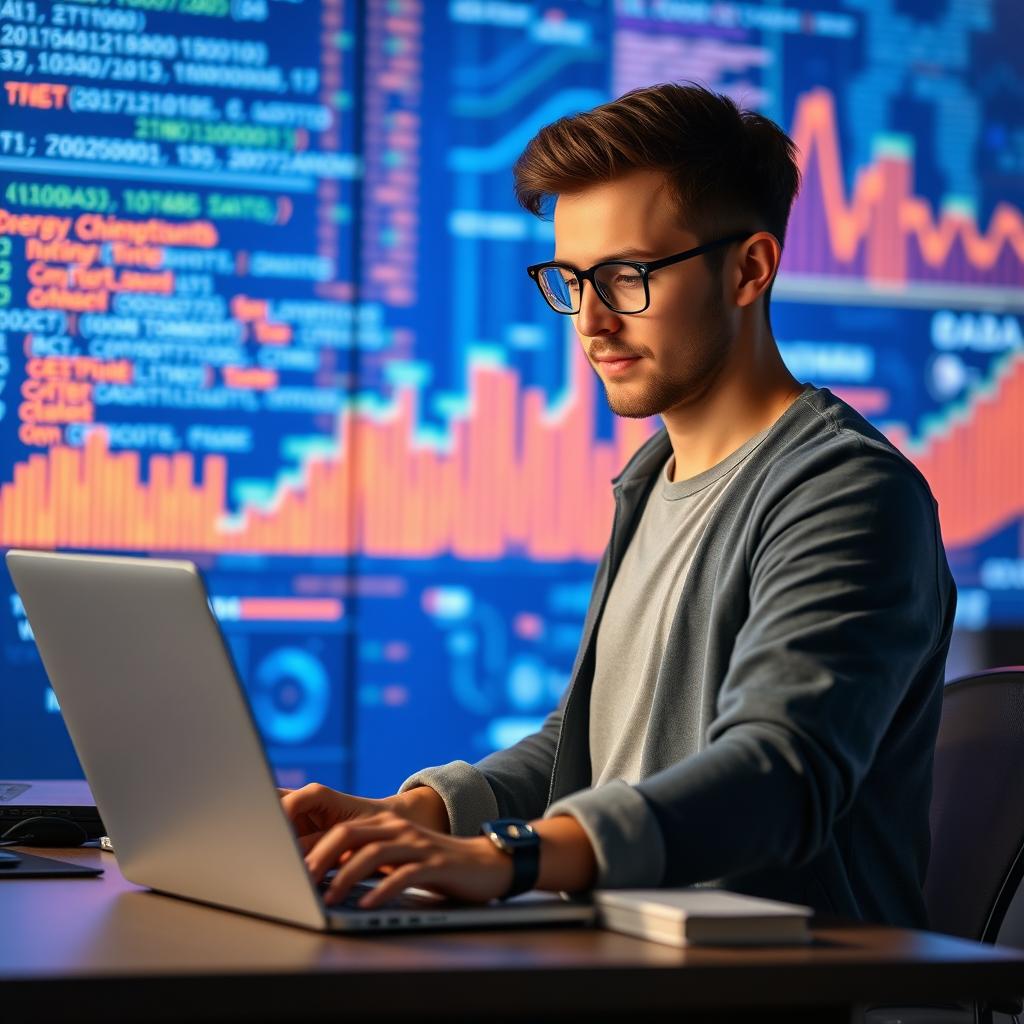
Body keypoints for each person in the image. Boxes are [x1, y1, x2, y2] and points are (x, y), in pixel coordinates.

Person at [282, 83, 956, 927]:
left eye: (627, 275)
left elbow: (778, 773)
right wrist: (418, 816)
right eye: (571, 280)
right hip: (621, 957)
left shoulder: (846, 493)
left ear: (749, 268)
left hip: (772, 988)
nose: (592, 320)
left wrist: (508, 859)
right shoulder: (651, 481)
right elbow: (592, 748)